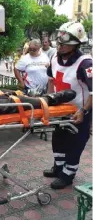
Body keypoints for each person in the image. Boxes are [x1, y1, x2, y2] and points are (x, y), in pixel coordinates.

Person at [43, 21, 92, 189]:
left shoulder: (86, 63)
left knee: (75, 143)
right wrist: (48, 103)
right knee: (58, 140)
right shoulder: (54, 58)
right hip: (60, 110)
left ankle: (68, 174)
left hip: (80, 112)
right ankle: (58, 168)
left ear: (76, 43)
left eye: (66, 43)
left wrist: (84, 110)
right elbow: (51, 80)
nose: (61, 45)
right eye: (60, 41)